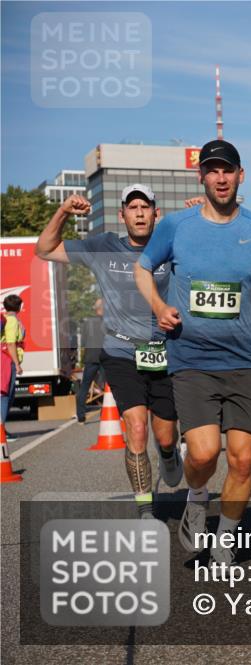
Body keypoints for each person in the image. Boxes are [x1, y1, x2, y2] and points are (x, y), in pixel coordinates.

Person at [135, 139, 251, 565]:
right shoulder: (176, 225)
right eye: (212, 170)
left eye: (228, 170)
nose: (221, 177)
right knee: (205, 454)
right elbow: (142, 268)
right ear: (201, 177)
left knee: (243, 461)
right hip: (192, 360)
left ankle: (225, 535)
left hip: (244, 361)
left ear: (241, 176)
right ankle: (196, 497)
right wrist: (159, 306)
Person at [36, 188, 183, 518]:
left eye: (146, 207)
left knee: (165, 434)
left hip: (164, 351)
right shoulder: (104, 247)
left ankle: (170, 454)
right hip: (119, 351)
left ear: (155, 214)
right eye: (133, 207)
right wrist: (62, 212)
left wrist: (200, 215)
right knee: (136, 427)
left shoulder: (170, 248)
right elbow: (43, 250)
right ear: (123, 215)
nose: (140, 213)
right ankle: (145, 508)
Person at [76, 299, 105, 422]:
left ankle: (81, 416)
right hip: (106, 357)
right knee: (111, 386)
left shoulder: (87, 323)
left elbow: (83, 342)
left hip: (91, 357)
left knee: (85, 386)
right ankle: (115, 412)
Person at [1, 295, 26, 426]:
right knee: (5, 395)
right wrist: (17, 364)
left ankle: (2, 430)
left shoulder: (6, 319)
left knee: (6, 395)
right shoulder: (12, 321)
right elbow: (11, 344)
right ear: (19, 307)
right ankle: (1, 431)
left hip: (4, 359)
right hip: (6, 360)